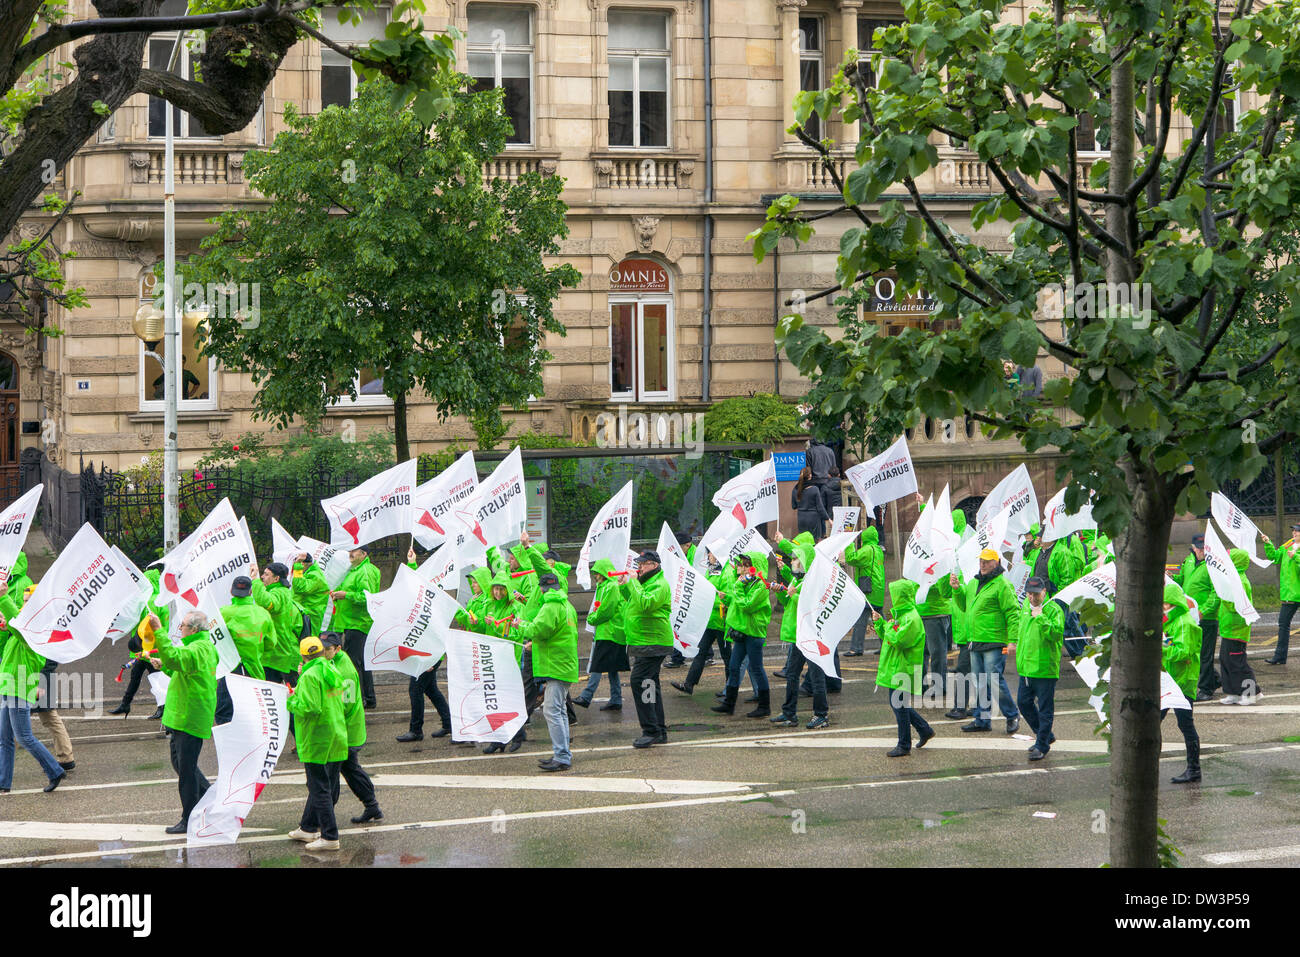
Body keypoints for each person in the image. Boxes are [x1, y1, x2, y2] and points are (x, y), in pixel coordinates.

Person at [145, 608, 218, 833]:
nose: (180, 629)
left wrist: (158, 630)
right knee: (180, 764)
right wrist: (163, 664)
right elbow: (180, 666)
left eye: (183, 625)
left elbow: (179, 660)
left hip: (190, 716)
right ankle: (210, 798)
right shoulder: (197, 647)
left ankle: (190, 818)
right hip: (182, 716)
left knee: (186, 771)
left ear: (194, 629)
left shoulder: (200, 648)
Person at [511, 572, 579, 771]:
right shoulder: (567, 605)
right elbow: (553, 633)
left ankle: (562, 756)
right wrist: (537, 643)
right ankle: (563, 753)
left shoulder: (550, 606)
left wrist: (520, 625)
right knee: (559, 711)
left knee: (551, 711)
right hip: (563, 664)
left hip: (555, 665)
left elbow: (537, 629)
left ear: (541, 589)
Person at [0, 588, 66, 794]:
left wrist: (3, 597)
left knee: (24, 737)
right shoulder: (30, 628)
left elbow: (19, 627)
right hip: (10, 686)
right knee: (5, 738)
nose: (25, 604)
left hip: (18, 688)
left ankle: (55, 771)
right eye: (25, 601)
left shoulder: (36, 629)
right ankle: (3, 782)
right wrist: (5, 626)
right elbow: (15, 630)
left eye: (29, 601)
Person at [286, 636, 348, 851]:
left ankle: (330, 836)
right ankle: (308, 827)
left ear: (303, 655)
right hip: (335, 733)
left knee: (319, 787)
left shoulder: (310, 675)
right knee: (325, 785)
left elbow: (311, 707)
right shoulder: (330, 668)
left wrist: (291, 700)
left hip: (317, 737)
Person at [951, 549, 1022, 733]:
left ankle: (1012, 714)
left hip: (994, 640)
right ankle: (982, 719)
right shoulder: (974, 582)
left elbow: (1013, 613)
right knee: (979, 681)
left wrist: (1013, 640)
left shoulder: (1002, 584)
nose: (983, 564)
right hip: (975, 639)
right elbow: (963, 605)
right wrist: (958, 590)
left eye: (987, 561)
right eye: (981, 560)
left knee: (994, 680)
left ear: (996, 563)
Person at [320, 632, 383, 823]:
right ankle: (372, 806)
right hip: (345, 730)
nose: (323, 653)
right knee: (350, 769)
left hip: (345, 731)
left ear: (337, 649)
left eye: (327, 649)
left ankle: (323, 817)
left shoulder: (344, 670)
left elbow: (344, 705)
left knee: (332, 772)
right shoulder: (332, 662)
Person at [770, 546, 830, 729]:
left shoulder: (814, 582)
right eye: (793, 558)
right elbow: (788, 602)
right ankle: (789, 713)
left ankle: (821, 715)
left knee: (816, 676)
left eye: (797, 559)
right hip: (798, 634)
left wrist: (794, 595)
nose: (793, 561)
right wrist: (782, 591)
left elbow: (812, 604)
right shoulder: (798, 580)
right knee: (792, 674)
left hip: (811, 635)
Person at [874, 579, 934, 756]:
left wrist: (887, 626)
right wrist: (880, 623)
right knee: (898, 704)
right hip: (898, 667)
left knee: (898, 704)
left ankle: (904, 744)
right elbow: (889, 636)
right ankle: (924, 730)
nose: (892, 599)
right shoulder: (903, 616)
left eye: (895, 595)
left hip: (904, 668)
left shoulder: (911, 618)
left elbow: (898, 640)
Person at [620, 551, 674, 748]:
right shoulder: (646, 583)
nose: (639, 568)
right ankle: (658, 729)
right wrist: (625, 587)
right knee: (650, 684)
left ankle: (650, 730)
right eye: (639, 564)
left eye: (643, 564)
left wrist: (633, 582)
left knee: (640, 682)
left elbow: (645, 604)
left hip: (653, 642)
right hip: (644, 641)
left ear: (653, 565)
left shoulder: (660, 584)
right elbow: (632, 602)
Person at [712, 550, 773, 719]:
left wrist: (737, 587)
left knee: (756, 668)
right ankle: (729, 703)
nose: (743, 568)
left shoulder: (761, 586)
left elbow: (747, 605)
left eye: (747, 565)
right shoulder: (746, 583)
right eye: (742, 564)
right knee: (733, 666)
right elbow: (737, 602)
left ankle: (764, 706)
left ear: (755, 567)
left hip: (753, 632)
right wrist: (727, 598)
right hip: (742, 631)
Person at [671, 546, 734, 696]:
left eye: (711, 553)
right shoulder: (711, 570)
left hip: (722, 622)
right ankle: (689, 684)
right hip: (710, 621)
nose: (709, 555)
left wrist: (708, 600)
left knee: (727, 658)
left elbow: (729, 598)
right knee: (700, 653)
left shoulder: (727, 573)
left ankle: (730, 689)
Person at [1012, 577, 1063, 761]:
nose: (1032, 597)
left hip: (1044, 668)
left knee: (1045, 709)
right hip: (1026, 667)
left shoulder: (1053, 609)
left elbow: (1057, 634)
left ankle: (1042, 744)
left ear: (1044, 591)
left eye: (1035, 594)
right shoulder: (1026, 605)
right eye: (1029, 593)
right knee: (1024, 703)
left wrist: (1040, 617)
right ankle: (1045, 735)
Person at [109, 568, 168, 720]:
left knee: (155, 678)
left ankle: (162, 707)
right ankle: (126, 704)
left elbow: (142, 625)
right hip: (155, 645)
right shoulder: (161, 600)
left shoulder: (148, 601)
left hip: (147, 647)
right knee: (137, 675)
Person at [573, 557, 628, 711]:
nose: (595, 575)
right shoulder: (607, 586)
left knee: (597, 664)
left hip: (609, 632)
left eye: (597, 572)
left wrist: (592, 619)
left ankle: (586, 696)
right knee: (612, 668)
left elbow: (605, 611)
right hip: (611, 632)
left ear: (603, 573)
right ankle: (616, 699)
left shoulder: (610, 587)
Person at [331, 546, 382, 710]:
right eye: (349, 551)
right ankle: (368, 698)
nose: (350, 554)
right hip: (351, 621)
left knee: (352, 664)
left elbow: (367, 597)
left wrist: (345, 595)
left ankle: (355, 700)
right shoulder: (356, 570)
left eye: (355, 551)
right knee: (362, 662)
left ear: (364, 554)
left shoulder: (364, 571)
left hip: (357, 622)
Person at [1162, 581, 1203, 783]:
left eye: (1167, 604)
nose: (1164, 607)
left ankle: (1194, 769)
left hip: (1183, 682)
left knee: (1185, 724)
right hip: (1170, 680)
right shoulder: (1172, 621)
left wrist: (1160, 648)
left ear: (1174, 603)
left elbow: (1183, 652)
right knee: (1154, 722)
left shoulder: (1184, 623)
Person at [217, 574, 270, 725]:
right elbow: (271, 643)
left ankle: (229, 745)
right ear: (251, 592)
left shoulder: (223, 613)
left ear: (231, 591)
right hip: (255, 669)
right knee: (254, 712)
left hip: (229, 669)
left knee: (225, 713)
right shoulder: (263, 613)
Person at [1174, 533, 1221, 701]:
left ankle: (1206, 689)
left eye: (1204, 548)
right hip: (1191, 614)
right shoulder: (1189, 560)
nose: (1202, 551)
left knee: (1205, 653)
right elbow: (1181, 580)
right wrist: (1171, 577)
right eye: (1199, 548)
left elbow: (1217, 592)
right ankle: (1214, 679)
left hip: (1206, 618)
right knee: (1196, 652)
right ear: (1193, 548)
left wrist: (1205, 611)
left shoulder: (1213, 564)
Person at [1218, 548, 1260, 705]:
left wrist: (1222, 596)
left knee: (1237, 662)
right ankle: (1233, 692)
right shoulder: (1233, 579)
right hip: (1229, 628)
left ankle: (1251, 693)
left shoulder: (1240, 581)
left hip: (1237, 629)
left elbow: (1236, 606)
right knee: (1225, 660)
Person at [1261, 524, 1300, 665]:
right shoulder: (1288, 544)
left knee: (1284, 624)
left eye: (1297, 531)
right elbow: (1274, 557)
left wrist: (1295, 556)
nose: (1294, 532)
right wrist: (1268, 543)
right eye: (1293, 530)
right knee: (1283, 624)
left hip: (1295, 592)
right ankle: (1280, 656)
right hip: (1290, 593)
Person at [292, 552, 331, 636]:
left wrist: (297, 567)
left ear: (302, 563)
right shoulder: (309, 573)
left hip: (309, 618)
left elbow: (299, 588)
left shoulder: (315, 576)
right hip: (305, 616)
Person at [792, 467, 830, 542]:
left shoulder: (795, 489)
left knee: (803, 542)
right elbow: (820, 508)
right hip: (813, 520)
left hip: (801, 519)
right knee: (814, 542)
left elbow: (794, 506)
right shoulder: (814, 489)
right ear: (810, 476)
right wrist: (828, 518)